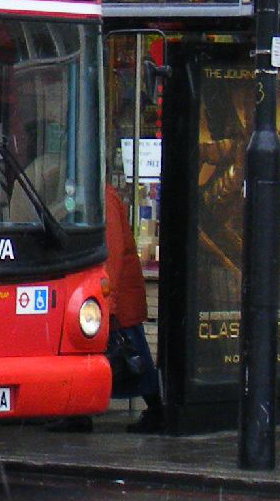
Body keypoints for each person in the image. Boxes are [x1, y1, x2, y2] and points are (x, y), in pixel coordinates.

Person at [106, 184, 164, 431]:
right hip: (118, 297)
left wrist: (109, 303)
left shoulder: (103, 198)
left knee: (134, 356)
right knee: (133, 355)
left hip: (118, 299)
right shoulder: (102, 196)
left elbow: (113, 254)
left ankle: (157, 410)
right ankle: (157, 410)